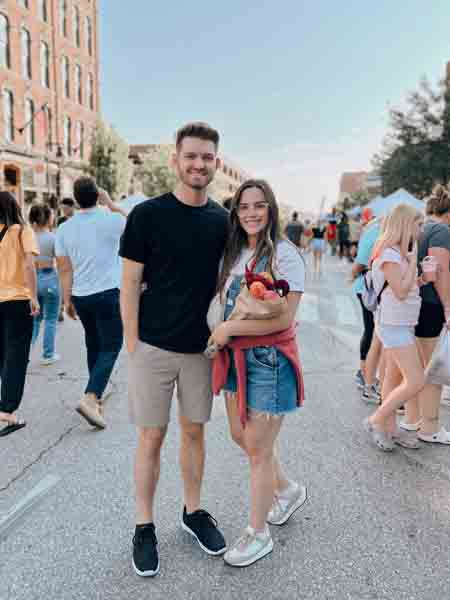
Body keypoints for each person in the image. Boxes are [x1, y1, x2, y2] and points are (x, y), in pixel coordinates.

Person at [120, 122, 229, 578]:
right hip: (153, 346)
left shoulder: (224, 221)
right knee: (151, 436)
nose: (199, 164)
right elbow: (128, 281)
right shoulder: (146, 215)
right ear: (176, 160)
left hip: (201, 350)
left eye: (207, 157)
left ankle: (193, 511)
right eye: (192, 156)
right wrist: (131, 342)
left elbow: (230, 281)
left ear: (216, 164)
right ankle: (144, 525)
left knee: (194, 433)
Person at [209, 179, 305, 568]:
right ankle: (286, 490)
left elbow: (283, 319)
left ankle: (258, 533)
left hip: (269, 362)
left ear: (271, 209)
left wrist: (229, 330)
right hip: (235, 361)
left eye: (259, 205)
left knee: (258, 451)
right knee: (241, 438)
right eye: (243, 206)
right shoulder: (233, 253)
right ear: (235, 212)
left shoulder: (285, 255)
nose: (251, 212)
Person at [55, 178, 126, 430]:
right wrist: (110, 203)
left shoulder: (64, 228)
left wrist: (67, 300)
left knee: (94, 343)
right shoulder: (112, 220)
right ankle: (91, 396)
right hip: (107, 293)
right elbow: (134, 224)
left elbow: (64, 268)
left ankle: (94, 398)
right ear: (97, 195)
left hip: (81, 296)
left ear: (75, 200)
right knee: (112, 344)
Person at [363, 204, 424, 451]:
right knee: (416, 380)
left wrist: (420, 277)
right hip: (394, 325)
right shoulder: (389, 255)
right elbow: (399, 291)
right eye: (418, 225)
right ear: (406, 225)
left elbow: (405, 287)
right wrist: (413, 262)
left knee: (394, 377)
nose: (420, 230)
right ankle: (377, 419)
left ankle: (388, 428)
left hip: (402, 323)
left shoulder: (397, 254)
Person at [402, 185, 450, 444]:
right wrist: (449, 307)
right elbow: (441, 271)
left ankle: (413, 419)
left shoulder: (423, 228)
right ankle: (429, 427)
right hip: (431, 305)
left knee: (417, 367)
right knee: (432, 370)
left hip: (414, 304)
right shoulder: (441, 230)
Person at [0, 191, 40, 437]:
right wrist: (33, 297)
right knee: (15, 357)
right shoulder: (23, 231)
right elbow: (29, 265)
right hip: (17, 300)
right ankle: (8, 412)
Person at [350, 214, 382, 400]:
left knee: (374, 331)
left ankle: (367, 374)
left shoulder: (375, 230)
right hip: (369, 288)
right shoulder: (374, 232)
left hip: (371, 287)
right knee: (371, 330)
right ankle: (364, 373)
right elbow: (360, 261)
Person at [29, 204, 61, 365]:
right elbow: (61, 262)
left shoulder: (28, 237)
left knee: (34, 320)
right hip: (50, 278)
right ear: (49, 218)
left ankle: (24, 355)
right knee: (50, 319)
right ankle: (48, 355)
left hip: (33, 279)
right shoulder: (53, 238)